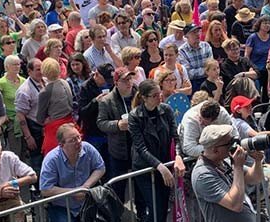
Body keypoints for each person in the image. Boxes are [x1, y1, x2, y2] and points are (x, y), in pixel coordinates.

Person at [129, 80, 185, 222]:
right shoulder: (135, 116)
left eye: (159, 93)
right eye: (154, 95)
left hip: (165, 163)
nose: (159, 97)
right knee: (156, 208)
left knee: (163, 206)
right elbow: (140, 148)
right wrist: (159, 166)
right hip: (146, 167)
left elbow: (175, 136)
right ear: (144, 97)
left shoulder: (166, 110)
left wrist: (178, 156)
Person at [191, 124, 264, 222]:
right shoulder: (203, 175)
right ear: (215, 150)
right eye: (229, 144)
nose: (234, 146)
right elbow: (235, 204)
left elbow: (255, 178)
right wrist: (238, 167)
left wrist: (258, 160)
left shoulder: (225, 162)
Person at [39, 123, 105, 222]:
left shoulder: (88, 148)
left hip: (87, 202)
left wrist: (85, 187)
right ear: (61, 145)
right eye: (72, 140)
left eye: (78, 137)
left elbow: (100, 167)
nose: (78, 142)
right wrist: (74, 192)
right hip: (62, 207)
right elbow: (45, 189)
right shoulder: (51, 160)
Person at [97, 67, 137, 202]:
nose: (129, 83)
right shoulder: (107, 101)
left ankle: (142, 213)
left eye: (130, 79)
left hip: (138, 148)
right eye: (124, 80)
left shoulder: (138, 94)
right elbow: (101, 123)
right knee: (118, 187)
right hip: (119, 150)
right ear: (116, 83)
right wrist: (117, 125)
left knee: (140, 186)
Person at [37, 58, 75, 155]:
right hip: (70, 122)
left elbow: (40, 118)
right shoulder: (65, 82)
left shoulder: (45, 91)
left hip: (55, 128)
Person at [0, 55, 26, 154]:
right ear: (7, 66)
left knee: (25, 149)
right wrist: (4, 116)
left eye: (19, 64)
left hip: (25, 119)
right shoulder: (1, 83)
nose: (17, 66)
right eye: (14, 64)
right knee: (15, 150)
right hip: (11, 121)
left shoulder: (24, 81)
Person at [244, 16, 270, 101]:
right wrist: (249, 67)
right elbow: (247, 55)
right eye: (265, 23)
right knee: (256, 93)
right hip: (256, 69)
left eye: (269, 23)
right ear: (259, 24)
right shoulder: (253, 37)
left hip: (268, 69)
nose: (267, 25)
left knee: (266, 93)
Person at [178, 24, 213, 92]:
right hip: (193, 84)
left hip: (208, 81)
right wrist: (206, 71)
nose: (197, 34)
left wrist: (209, 71)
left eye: (198, 31)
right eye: (194, 32)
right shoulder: (181, 51)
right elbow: (188, 73)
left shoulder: (206, 46)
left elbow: (211, 66)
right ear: (186, 36)